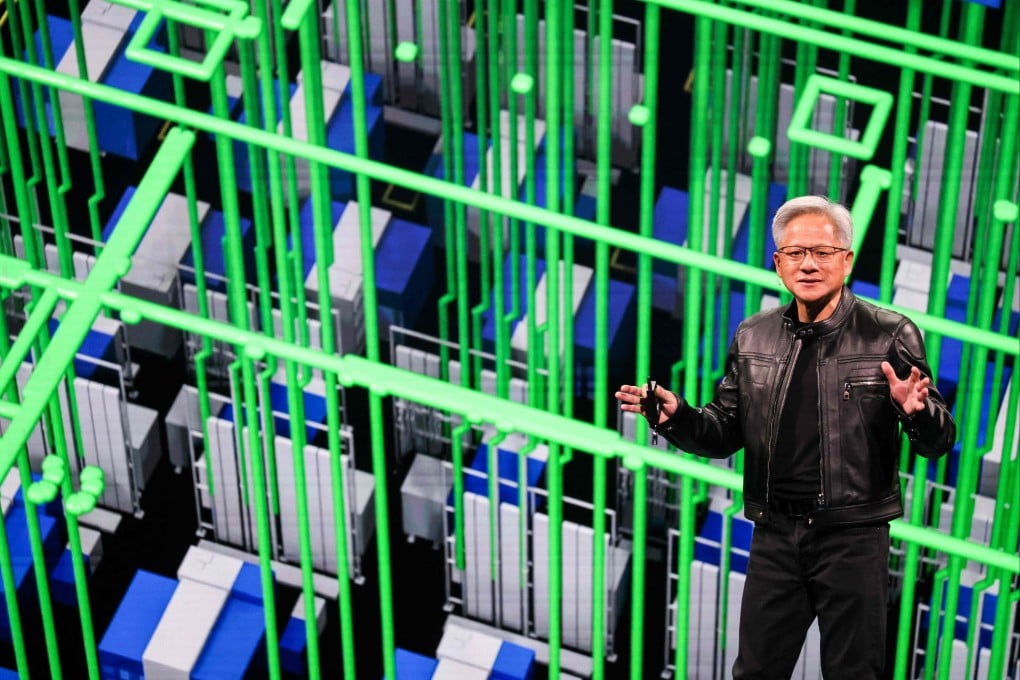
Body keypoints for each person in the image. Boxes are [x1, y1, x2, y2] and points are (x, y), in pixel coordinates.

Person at [616, 195, 956, 679]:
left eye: (822, 252)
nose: (809, 264)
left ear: (847, 260)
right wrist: (675, 417)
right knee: (754, 672)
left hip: (853, 537)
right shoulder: (754, 335)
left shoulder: (889, 334)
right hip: (775, 534)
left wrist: (916, 412)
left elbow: (938, 441)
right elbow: (723, 432)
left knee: (853, 674)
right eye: (795, 253)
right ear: (778, 263)